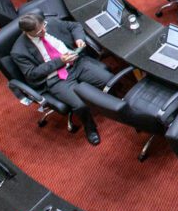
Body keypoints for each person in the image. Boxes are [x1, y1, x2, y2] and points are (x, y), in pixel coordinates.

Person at [11, 13, 112, 145]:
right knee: (80, 105)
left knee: (109, 80)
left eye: (44, 26)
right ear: (26, 32)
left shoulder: (50, 22)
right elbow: (32, 73)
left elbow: (74, 26)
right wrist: (60, 61)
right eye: (39, 31)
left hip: (76, 64)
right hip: (56, 78)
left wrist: (79, 38)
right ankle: (90, 128)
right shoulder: (18, 51)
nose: (44, 31)